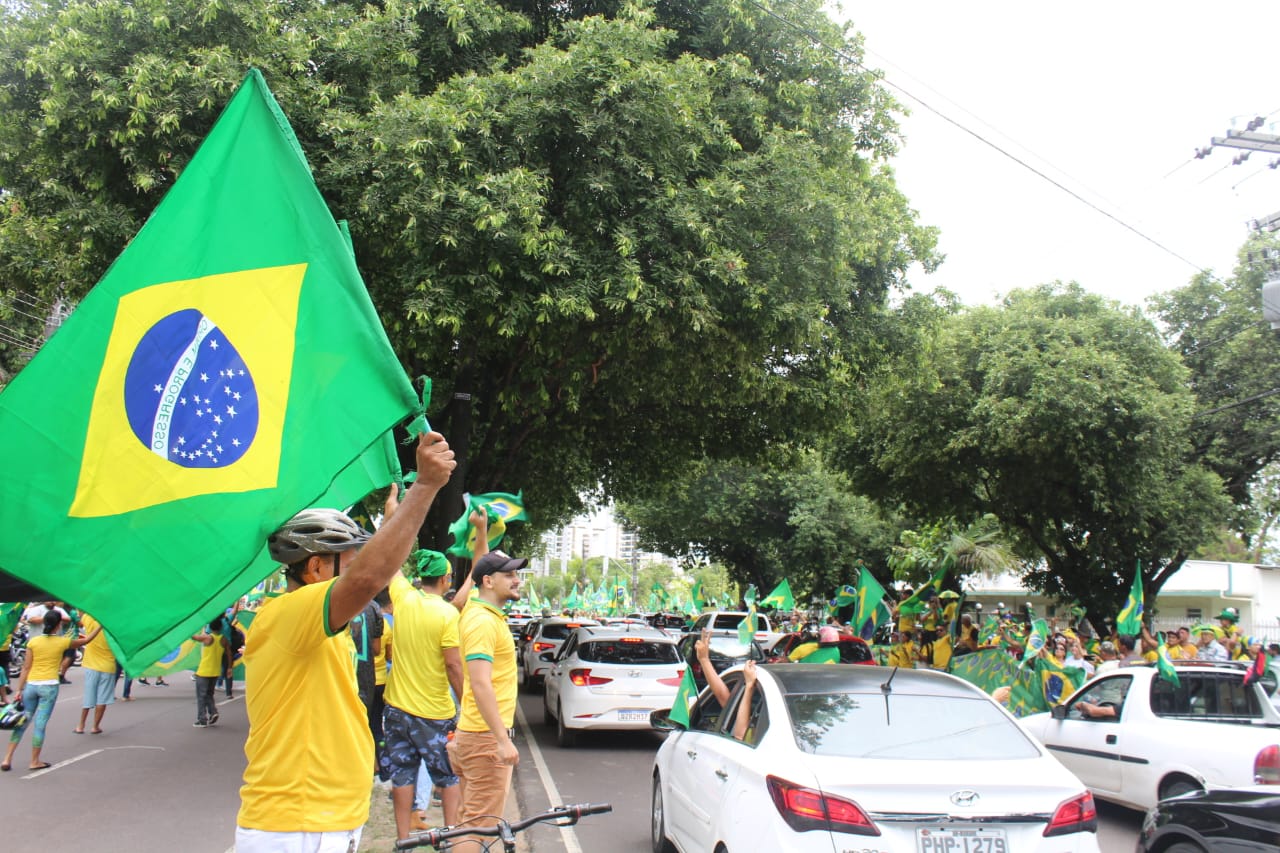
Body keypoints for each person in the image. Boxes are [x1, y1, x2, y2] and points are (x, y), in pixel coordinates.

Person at [235, 430, 456, 853]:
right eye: (348, 564)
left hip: (324, 820)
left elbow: (376, 570)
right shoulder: (290, 613)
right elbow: (370, 578)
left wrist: (394, 524)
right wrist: (426, 487)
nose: (360, 579)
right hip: (297, 826)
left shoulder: (317, 623)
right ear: (316, 567)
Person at [378, 548, 463, 839]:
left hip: (396, 710)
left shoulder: (403, 598)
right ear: (445, 580)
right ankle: (451, 834)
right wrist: (466, 704)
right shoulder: (447, 613)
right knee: (448, 775)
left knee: (402, 774)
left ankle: (403, 838)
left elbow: (393, 565)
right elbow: (453, 665)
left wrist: (392, 518)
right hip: (434, 714)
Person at [449, 547, 525, 852]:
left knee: (470, 821)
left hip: (476, 734)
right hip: (484, 739)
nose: (516, 580)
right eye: (509, 574)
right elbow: (480, 683)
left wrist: (482, 535)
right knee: (478, 827)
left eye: (516, 573)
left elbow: (478, 563)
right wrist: (501, 739)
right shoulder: (482, 621)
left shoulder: (481, 612)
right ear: (488, 582)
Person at [3, 609, 101, 771]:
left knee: (21, 723)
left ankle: (7, 759)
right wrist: (100, 626)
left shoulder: (33, 642)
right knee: (40, 725)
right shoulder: (62, 642)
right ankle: (34, 761)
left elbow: (26, 668)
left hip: (31, 685)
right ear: (57, 625)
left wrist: (19, 689)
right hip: (49, 686)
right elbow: (87, 640)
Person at [74, 612, 117, 735]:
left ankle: (80, 725)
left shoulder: (89, 620)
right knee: (102, 699)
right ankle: (95, 726)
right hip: (108, 666)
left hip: (91, 665)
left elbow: (80, 613)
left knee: (88, 695)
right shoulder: (112, 627)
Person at [191, 615, 227, 727]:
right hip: (215, 671)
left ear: (210, 628)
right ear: (221, 628)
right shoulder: (223, 639)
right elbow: (228, 653)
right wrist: (229, 667)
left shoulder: (208, 638)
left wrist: (187, 628)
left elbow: (193, 637)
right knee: (209, 694)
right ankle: (213, 712)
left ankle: (202, 719)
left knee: (201, 696)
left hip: (204, 671)